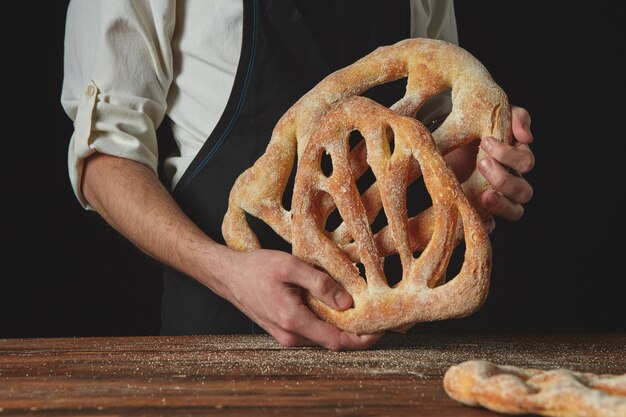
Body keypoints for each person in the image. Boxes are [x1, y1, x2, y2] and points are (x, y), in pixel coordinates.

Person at [61, 0, 534, 351]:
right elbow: (105, 161)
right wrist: (226, 272)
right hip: (219, 342)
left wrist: (483, 161)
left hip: (392, 347)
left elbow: (433, 144)